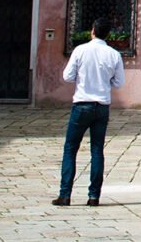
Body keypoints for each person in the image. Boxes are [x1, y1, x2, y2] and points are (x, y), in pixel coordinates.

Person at [53, 17, 126, 207]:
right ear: (107, 34)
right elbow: (119, 82)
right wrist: (104, 81)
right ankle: (94, 196)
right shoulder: (114, 54)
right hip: (101, 106)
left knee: (70, 148)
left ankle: (65, 194)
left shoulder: (80, 50)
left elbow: (68, 76)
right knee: (97, 150)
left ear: (92, 30)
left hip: (82, 104)